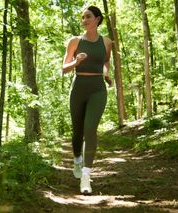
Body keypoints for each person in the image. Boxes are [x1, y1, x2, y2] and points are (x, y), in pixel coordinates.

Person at [62, 5, 113, 194]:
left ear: (97, 19)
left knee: (90, 129)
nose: (84, 21)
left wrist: (107, 74)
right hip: (78, 88)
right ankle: (76, 160)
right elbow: (64, 68)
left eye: (88, 17)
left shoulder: (107, 42)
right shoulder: (74, 41)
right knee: (77, 131)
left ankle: (86, 176)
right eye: (82, 17)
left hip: (97, 89)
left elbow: (105, 61)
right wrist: (77, 62)